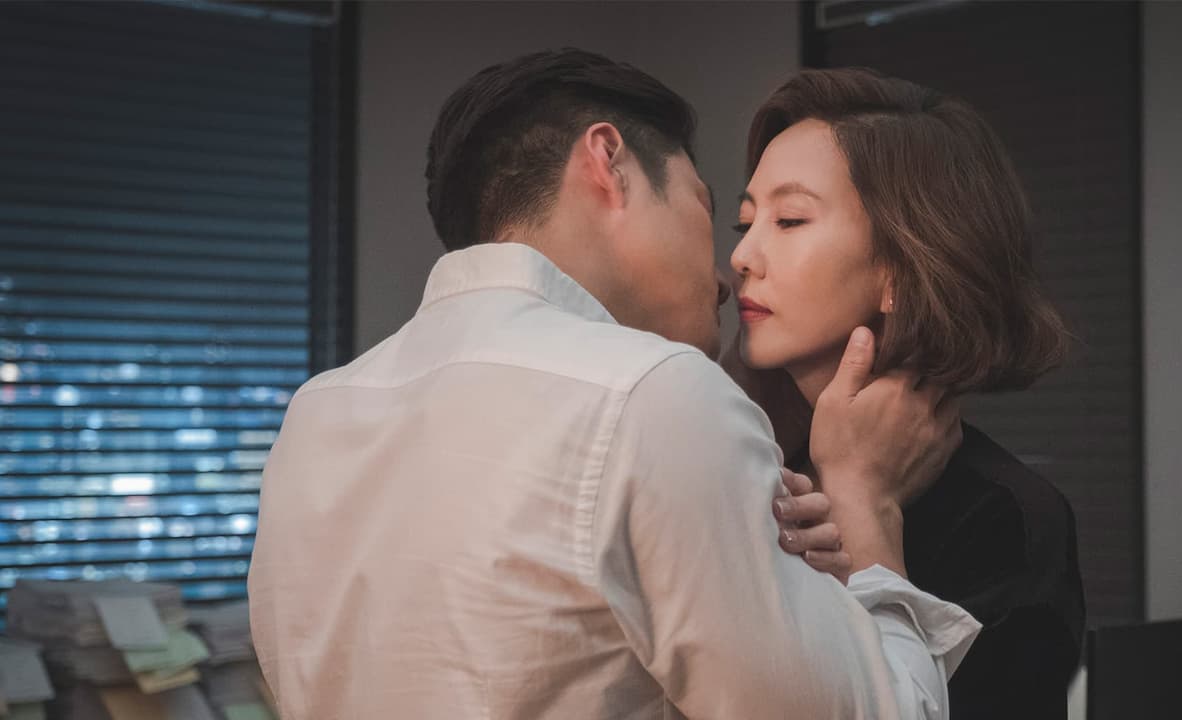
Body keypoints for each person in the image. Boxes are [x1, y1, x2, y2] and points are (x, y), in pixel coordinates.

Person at [248, 49, 980, 719]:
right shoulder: (652, 394)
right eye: (712, 210)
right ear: (609, 162)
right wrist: (868, 506)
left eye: (787, 221)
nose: (731, 267)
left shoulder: (317, 416)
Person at [722, 67, 1086, 719]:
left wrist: (865, 508)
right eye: (745, 223)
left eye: (790, 219)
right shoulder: (744, 458)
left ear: (899, 268)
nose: (743, 256)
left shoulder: (1006, 521)